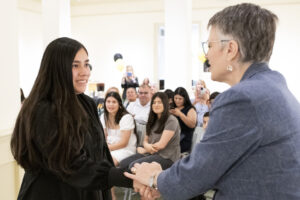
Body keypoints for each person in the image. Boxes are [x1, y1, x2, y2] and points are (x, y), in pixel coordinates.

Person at [124, 3, 300, 200]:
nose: (206, 55)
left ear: (231, 49)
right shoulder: (276, 86)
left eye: (209, 45)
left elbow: (198, 173)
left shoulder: (242, 99)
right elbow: (228, 164)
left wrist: (153, 177)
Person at [10, 37, 133, 200]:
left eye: (86, 64)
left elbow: (100, 154)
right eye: (75, 65)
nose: (85, 72)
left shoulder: (87, 103)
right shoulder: (43, 109)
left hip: (87, 189)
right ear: (57, 68)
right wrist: (127, 178)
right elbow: (69, 163)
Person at [120, 92, 180, 171]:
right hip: (151, 153)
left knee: (133, 166)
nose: (156, 105)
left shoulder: (171, 120)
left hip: (167, 158)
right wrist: (146, 147)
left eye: (159, 102)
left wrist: (145, 149)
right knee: (123, 163)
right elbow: (145, 140)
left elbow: (160, 145)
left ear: (165, 104)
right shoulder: (152, 119)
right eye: (154, 103)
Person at [101, 91, 137, 166]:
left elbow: (124, 143)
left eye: (114, 102)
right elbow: (103, 137)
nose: (111, 104)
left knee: (106, 162)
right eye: (108, 101)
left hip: (125, 149)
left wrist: (106, 149)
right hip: (110, 147)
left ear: (119, 104)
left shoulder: (126, 117)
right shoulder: (103, 116)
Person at [170, 87, 197, 153]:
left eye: (180, 99)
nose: (177, 101)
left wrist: (180, 114)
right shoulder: (172, 107)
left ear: (185, 99)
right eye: (176, 98)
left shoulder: (190, 109)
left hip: (183, 139)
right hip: (171, 136)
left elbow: (192, 124)